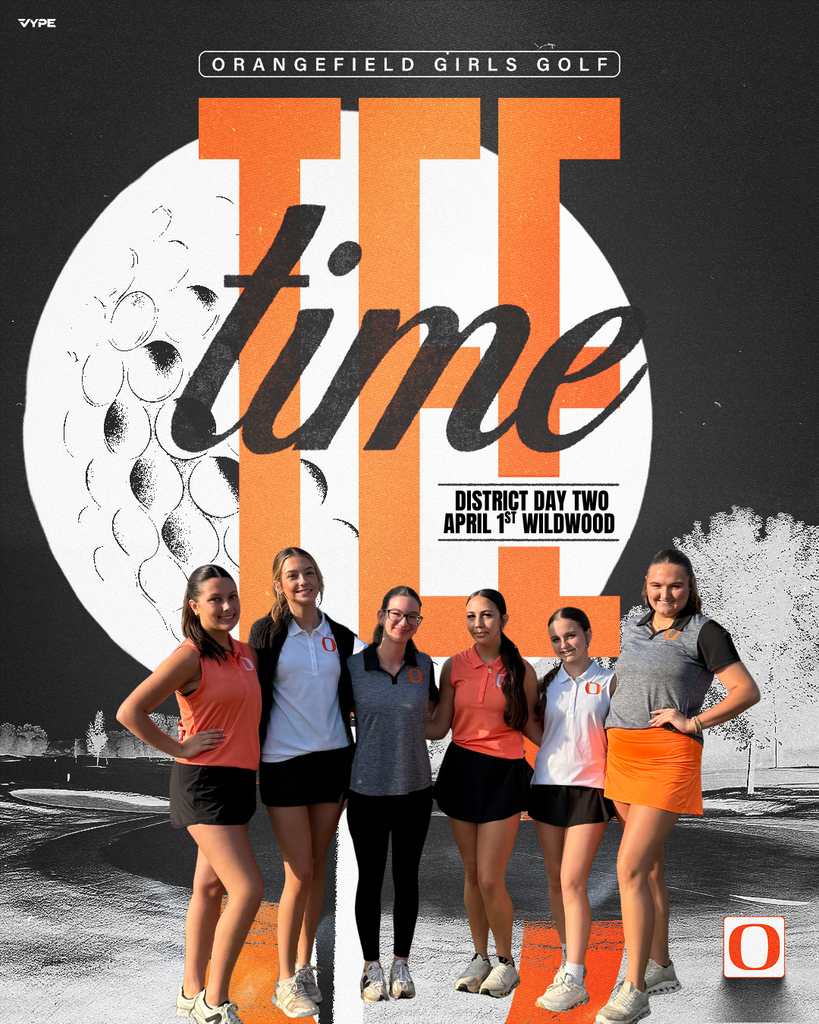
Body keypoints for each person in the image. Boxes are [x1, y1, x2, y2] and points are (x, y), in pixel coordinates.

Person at [593, 548, 760, 1024]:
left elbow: (746, 691)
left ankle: (633, 988)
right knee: (648, 870)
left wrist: (693, 722)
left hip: (667, 757)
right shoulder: (634, 627)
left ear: (690, 587)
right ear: (645, 586)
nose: (665, 595)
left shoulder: (705, 632)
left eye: (675, 586)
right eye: (656, 585)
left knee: (628, 868)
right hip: (621, 756)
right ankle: (661, 966)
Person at [116, 564, 263, 1024]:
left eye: (232, 597)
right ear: (194, 606)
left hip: (239, 782)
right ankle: (213, 1003)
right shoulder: (190, 656)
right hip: (203, 783)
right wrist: (178, 746)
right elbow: (130, 711)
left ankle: (189, 992)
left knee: (210, 886)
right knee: (248, 889)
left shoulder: (245, 654)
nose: (226, 607)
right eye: (215, 599)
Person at [247, 546, 366, 1018]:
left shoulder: (340, 635)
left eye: (309, 573)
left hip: (334, 762)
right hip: (283, 763)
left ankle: (304, 967)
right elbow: (248, 691)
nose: (302, 581)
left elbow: (357, 694)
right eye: (292, 575)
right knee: (298, 871)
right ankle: (284, 981)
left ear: (320, 579)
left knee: (316, 867)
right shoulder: (267, 632)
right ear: (278, 584)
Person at [426, 588, 541, 999]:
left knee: (492, 877)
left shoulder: (522, 670)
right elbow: (439, 727)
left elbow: (530, 726)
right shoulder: (453, 666)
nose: (479, 623)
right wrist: (390, 719)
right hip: (461, 770)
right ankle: (480, 958)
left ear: (504, 619)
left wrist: (574, 751)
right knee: (472, 874)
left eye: (487, 615)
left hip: (504, 775)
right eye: (472, 616)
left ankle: (507, 963)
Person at [346, 586, 438, 1002]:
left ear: (419, 621)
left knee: (407, 878)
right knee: (370, 879)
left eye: (413, 616)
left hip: (415, 790)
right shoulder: (353, 667)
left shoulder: (425, 665)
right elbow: (333, 724)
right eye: (397, 614)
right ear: (383, 615)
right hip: (366, 791)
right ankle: (371, 967)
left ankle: (401, 962)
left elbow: (438, 714)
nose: (404, 622)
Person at [529, 607, 616, 1013]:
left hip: (591, 790)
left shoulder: (610, 680)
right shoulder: (549, 685)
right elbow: (538, 731)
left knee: (571, 880)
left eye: (571, 635)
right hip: (546, 787)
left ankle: (577, 975)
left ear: (588, 634)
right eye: (556, 639)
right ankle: (568, 963)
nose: (564, 644)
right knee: (554, 881)